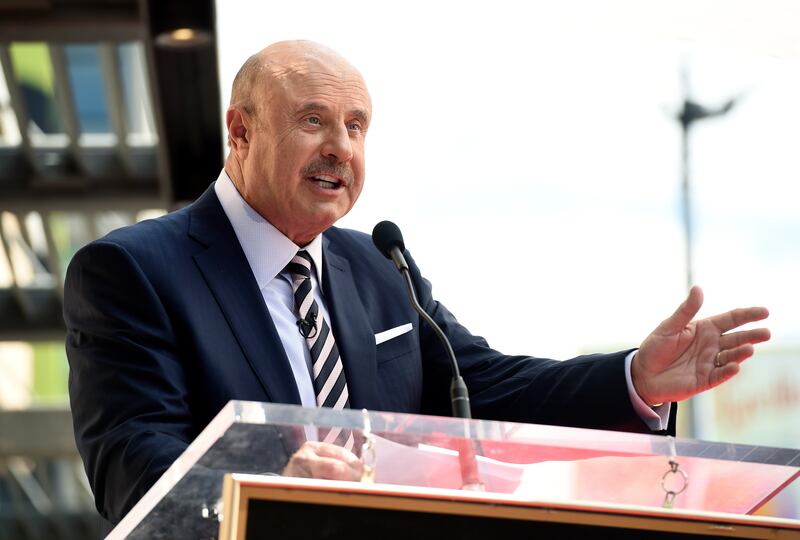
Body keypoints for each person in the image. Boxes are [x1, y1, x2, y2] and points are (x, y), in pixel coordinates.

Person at [63, 40, 770, 526]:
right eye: (313, 121)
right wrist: (265, 484)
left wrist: (634, 380)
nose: (341, 146)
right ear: (240, 131)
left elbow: (484, 386)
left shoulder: (377, 266)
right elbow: (131, 457)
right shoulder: (134, 271)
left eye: (357, 125)